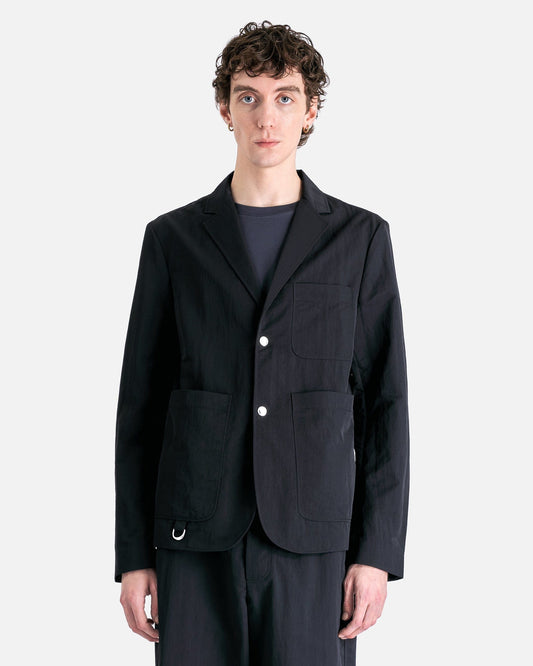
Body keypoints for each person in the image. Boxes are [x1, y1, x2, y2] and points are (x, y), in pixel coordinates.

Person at [115, 20, 409, 666]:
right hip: (194, 537)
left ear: (311, 110)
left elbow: (384, 405)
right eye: (247, 96)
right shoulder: (173, 241)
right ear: (225, 109)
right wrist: (133, 556)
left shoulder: (360, 240)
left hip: (314, 542)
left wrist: (376, 553)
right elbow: (140, 408)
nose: (265, 117)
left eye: (284, 97)